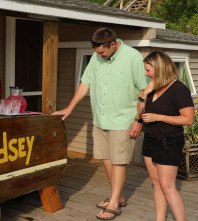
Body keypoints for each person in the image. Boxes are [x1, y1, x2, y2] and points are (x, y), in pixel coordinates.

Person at [52, 27, 148, 220]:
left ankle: (114, 204)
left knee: (119, 160)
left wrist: (139, 120)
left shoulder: (133, 57)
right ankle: (118, 196)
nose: (99, 56)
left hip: (123, 119)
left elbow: (145, 91)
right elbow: (85, 83)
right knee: (105, 157)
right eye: (97, 52)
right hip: (101, 118)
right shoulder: (96, 57)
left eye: (102, 52)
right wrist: (70, 107)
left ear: (113, 44)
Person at [138, 51, 194, 221]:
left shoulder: (179, 90)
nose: (146, 74)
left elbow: (189, 119)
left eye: (148, 70)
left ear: (160, 68)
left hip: (169, 142)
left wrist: (159, 117)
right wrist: (143, 95)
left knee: (168, 187)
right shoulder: (152, 88)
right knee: (156, 183)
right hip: (150, 139)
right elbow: (140, 115)